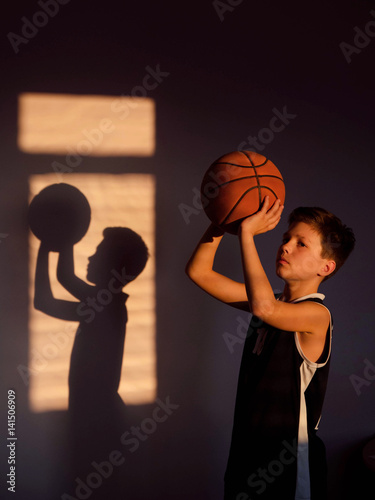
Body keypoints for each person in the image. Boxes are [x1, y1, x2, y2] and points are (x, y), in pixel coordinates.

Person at [186, 196, 355, 500]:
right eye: (286, 238)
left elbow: (263, 308)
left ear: (326, 267)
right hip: (246, 453)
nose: (286, 246)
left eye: (301, 243)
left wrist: (248, 235)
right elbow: (199, 272)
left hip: (288, 462)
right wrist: (222, 220)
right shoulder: (271, 303)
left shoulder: (316, 315)